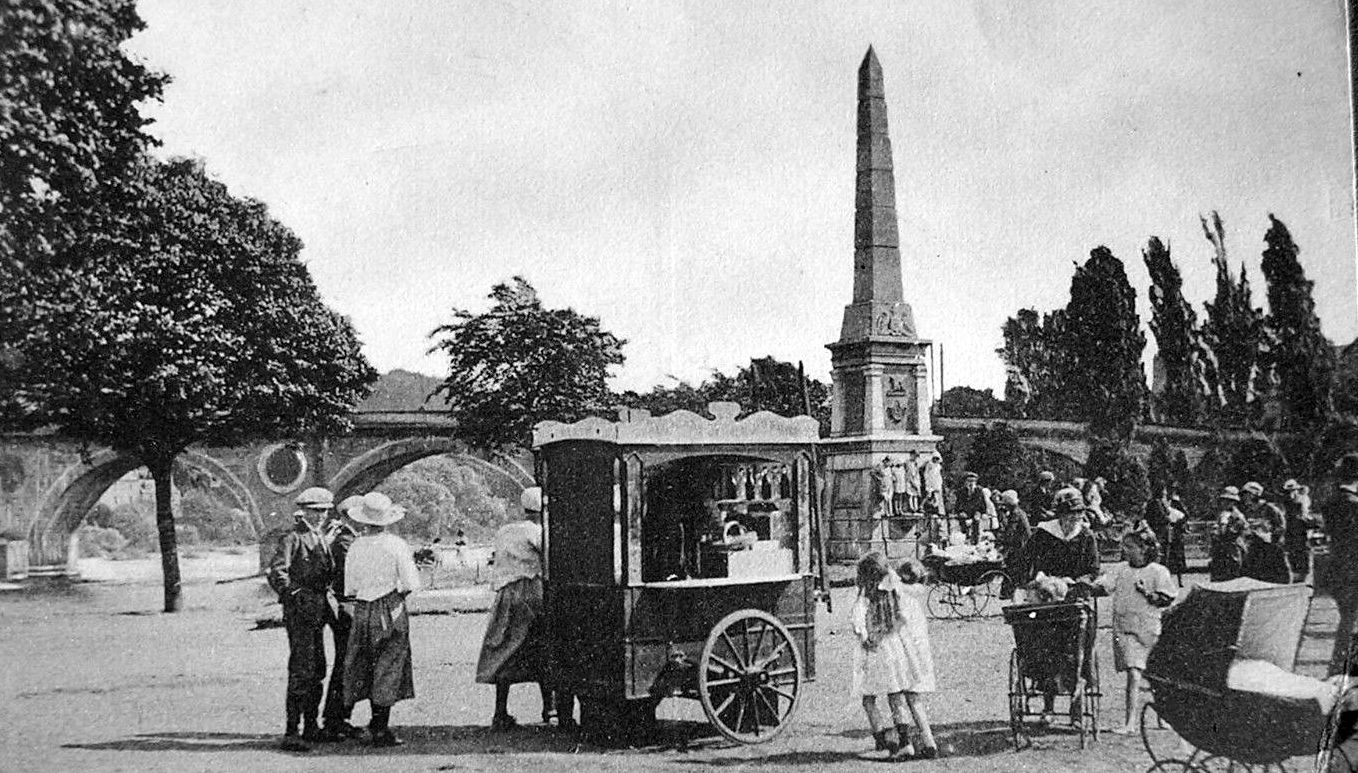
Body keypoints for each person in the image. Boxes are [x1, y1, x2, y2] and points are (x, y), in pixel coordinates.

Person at [342, 491, 421, 747]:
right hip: (389, 604)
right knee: (390, 662)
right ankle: (379, 726)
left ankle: (365, 719)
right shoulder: (396, 545)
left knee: (363, 661)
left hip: (363, 609)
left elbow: (350, 587)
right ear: (387, 520)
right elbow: (409, 583)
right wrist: (395, 598)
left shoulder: (355, 546)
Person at [476, 486, 553, 730]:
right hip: (531, 591)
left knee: (505, 647)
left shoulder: (505, 531)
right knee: (543, 646)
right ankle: (548, 707)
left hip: (506, 594)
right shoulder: (539, 532)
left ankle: (500, 711)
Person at [850, 553, 940, 760]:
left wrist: (868, 636)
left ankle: (896, 742)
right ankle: (928, 743)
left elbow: (857, 620)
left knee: (887, 696)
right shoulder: (899, 593)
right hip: (904, 651)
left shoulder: (870, 596)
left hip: (883, 651)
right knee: (909, 697)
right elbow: (902, 619)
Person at [267, 486, 336, 750]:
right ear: (303, 511)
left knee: (317, 668)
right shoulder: (293, 538)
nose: (321, 516)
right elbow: (277, 572)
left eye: (324, 511)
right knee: (301, 670)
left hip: (317, 610)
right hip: (301, 612)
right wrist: (296, 596)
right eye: (315, 511)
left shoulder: (318, 536)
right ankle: (291, 731)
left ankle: (311, 725)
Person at [1091, 531, 1177, 735]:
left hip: (1148, 627)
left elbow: (1167, 598)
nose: (1125, 550)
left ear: (1144, 549)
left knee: (1153, 674)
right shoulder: (1120, 569)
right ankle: (1130, 722)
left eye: (1130, 546)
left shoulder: (1158, 571)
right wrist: (1089, 586)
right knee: (1133, 672)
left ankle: (1161, 718)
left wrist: (1146, 593)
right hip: (1125, 627)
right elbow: (1105, 587)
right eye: (1124, 546)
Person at [320, 495, 365, 741]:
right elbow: (354, 577)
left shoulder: (348, 540)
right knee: (346, 665)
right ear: (351, 516)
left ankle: (339, 718)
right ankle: (335, 720)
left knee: (348, 664)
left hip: (348, 607)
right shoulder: (345, 542)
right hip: (347, 608)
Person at [1324, 453, 1358, 676]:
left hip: (1339, 569)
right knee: (1351, 622)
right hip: (1354, 570)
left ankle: (1338, 669)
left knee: (1347, 620)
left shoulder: (1331, 503)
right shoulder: (1353, 504)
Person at [1027, 487, 1101, 588]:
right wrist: (1036, 577)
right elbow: (1027, 559)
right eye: (1071, 512)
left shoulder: (1086, 536)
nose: (1076, 516)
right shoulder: (1043, 533)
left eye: (1080, 512)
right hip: (1045, 587)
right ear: (1061, 514)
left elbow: (1094, 568)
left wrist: (1079, 581)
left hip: (1075, 588)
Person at [994, 489, 1032, 599]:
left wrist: (1000, 541)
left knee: (1012, 567)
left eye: (1005, 504)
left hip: (1021, 545)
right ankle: (1009, 592)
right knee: (1014, 568)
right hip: (1020, 544)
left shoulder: (1016, 514)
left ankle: (1008, 592)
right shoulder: (1019, 511)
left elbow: (1011, 532)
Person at [1282, 479, 1319, 583]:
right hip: (1290, 535)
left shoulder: (1302, 500)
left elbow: (1308, 520)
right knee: (1292, 560)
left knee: (1304, 561)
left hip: (1302, 535)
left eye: (1292, 491)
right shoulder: (1286, 503)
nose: (1290, 494)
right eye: (1288, 492)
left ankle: (1305, 583)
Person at [1209, 487, 1248, 582]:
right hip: (1222, 551)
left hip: (1232, 550)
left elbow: (1229, 534)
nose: (1224, 503)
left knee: (1232, 576)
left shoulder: (1237, 516)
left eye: (1227, 501)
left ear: (1233, 502)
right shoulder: (1223, 514)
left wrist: (1220, 530)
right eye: (1223, 501)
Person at [953, 471, 989, 543]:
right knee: (963, 521)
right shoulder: (961, 491)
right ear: (965, 482)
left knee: (976, 521)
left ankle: (976, 540)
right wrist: (960, 512)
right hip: (965, 512)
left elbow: (982, 503)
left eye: (973, 481)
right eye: (969, 481)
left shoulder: (979, 491)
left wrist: (981, 512)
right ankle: (965, 539)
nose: (971, 483)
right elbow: (958, 504)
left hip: (975, 512)